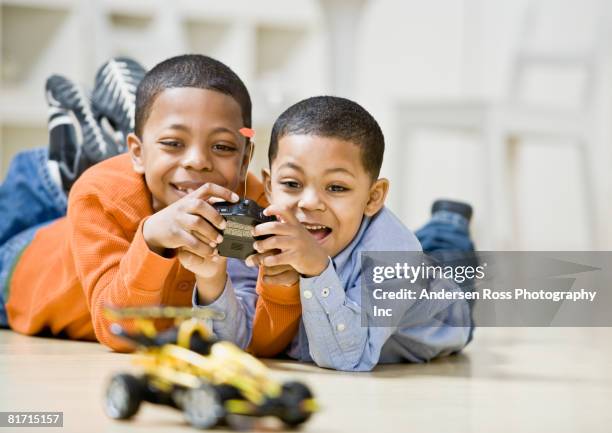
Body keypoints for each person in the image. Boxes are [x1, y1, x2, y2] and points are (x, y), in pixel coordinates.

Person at [0, 54, 266, 351]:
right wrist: (151, 238)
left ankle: (92, 156)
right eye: (173, 143)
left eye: (223, 147)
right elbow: (118, 330)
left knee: (114, 184)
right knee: (51, 182)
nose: (198, 161)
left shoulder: (254, 205)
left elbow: (263, 332)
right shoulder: (98, 193)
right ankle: (53, 173)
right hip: (20, 272)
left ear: (244, 161)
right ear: (136, 153)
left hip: (111, 205)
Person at [239, 96, 473, 371]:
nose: (309, 202)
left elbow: (348, 357)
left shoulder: (395, 254)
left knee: (445, 251)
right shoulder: (266, 229)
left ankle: (449, 221)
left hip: (442, 310)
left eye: (336, 187)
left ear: (373, 197)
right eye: (292, 184)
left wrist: (316, 270)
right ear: (269, 186)